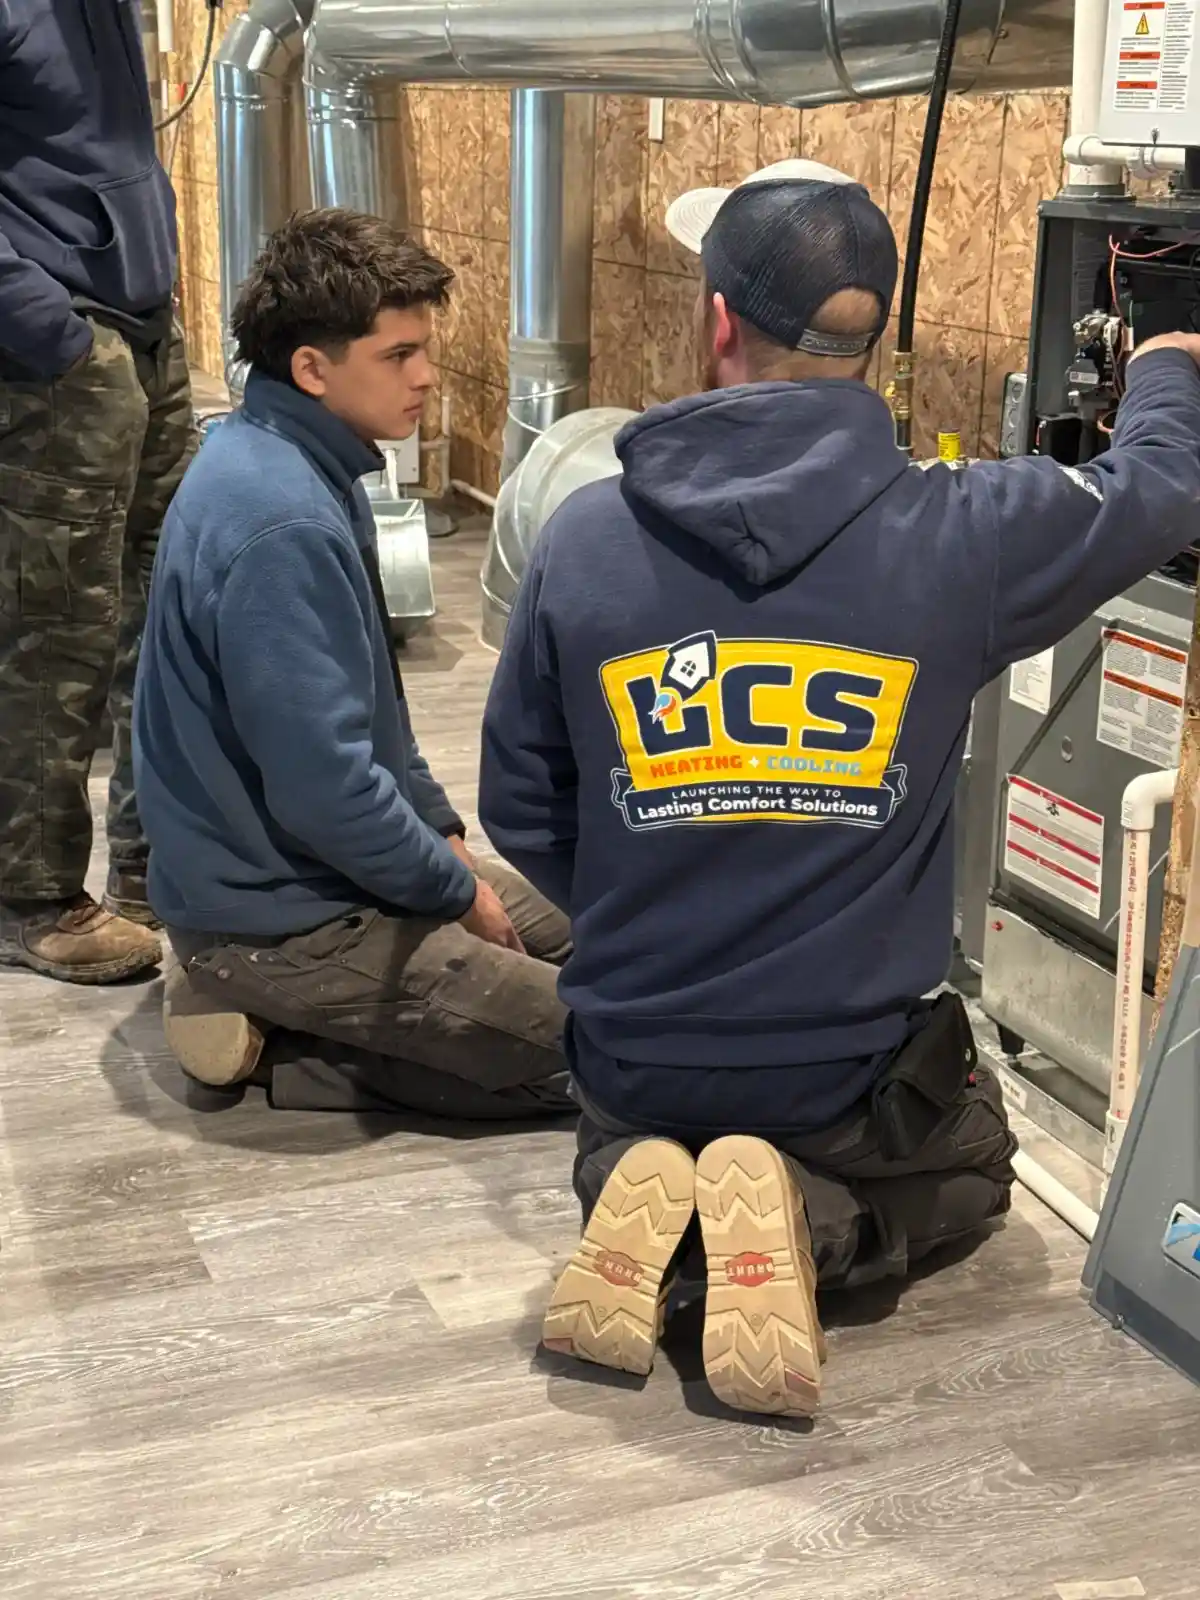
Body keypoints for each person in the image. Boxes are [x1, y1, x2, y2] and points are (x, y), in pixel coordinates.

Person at [478, 157, 1200, 1416]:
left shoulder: (586, 537)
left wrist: (650, 901)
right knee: (977, 1169)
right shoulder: (964, 532)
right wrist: (1168, 360)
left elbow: (520, 801)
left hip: (633, 1044)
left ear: (718, 322)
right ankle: (802, 1224)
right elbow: (1159, 489)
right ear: (877, 337)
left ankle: (631, 1189)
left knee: (635, 1123)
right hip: (842, 1073)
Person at [132, 208, 572, 1121]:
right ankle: (286, 1043)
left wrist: (442, 836)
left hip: (321, 875)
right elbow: (325, 788)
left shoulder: (294, 463)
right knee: (612, 1047)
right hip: (277, 922)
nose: (425, 377)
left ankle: (308, 1013)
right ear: (312, 369)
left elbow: (374, 715)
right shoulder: (280, 520)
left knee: (607, 939)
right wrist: (454, 891)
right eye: (399, 355)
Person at [0, 0, 195, 983]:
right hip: (57, 351)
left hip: (142, 329)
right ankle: (29, 896)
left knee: (168, 610)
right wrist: (54, 337)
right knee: (56, 624)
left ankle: (148, 865)